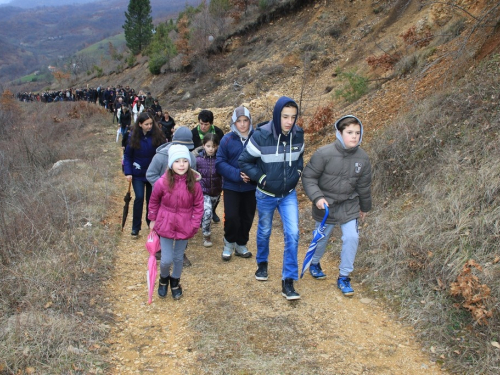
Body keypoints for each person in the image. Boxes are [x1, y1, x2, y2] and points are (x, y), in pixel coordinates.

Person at [239, 96, 304, 300]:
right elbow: (244, 161)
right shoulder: (262, 136)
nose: (289, 121)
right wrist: (262, 179)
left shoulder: (298, 134)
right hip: (266, 193)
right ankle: (262, 264)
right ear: (277, 115)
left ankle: (288, 281)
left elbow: (300, 157)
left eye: (293, 117)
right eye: (285, 116)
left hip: (288, 194)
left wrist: (298, 173)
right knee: (265, 230)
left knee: (293, 233)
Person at [301, 115, 372, 297]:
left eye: (357, 132)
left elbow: (363, 186)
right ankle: (315, 263)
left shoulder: (362, 158)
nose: (354, 136)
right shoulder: (323, 153)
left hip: (349, 204)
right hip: (326, 204)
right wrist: (317, 197)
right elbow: (309, 177)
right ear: (339, 133)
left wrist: (364, 207)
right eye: (349, 132)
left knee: (352, 237)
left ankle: (344, 276)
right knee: (322, 237)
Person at [148, 144, 204, 300]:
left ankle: (175, 281)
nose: (181, 165)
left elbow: (199, 206)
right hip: (165, 224)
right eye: (177, 161)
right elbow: (153, 201)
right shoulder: (162, 182)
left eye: (185, 161)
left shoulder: (195, 184)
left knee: (178, 258)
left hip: (184, 226)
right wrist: (152, 218)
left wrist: (194, 223)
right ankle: (163, 278)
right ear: (171, 163)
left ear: (189, 163)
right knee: (166, 259)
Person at [146, 126, 197, 267]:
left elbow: (194, 178)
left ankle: (180, 253)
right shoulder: (160, 156)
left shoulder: (191, 158)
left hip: (184, 201)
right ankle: (161, 249)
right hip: (164, 200)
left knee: (182, 226)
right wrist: (166, 188)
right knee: (165, 224)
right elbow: (150, 174)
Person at [216, 106, 256, 261]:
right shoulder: (227, 139)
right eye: (239, 121)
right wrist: (237, 174)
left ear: (250, 121)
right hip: (232, 185)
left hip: (250, 187)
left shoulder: (256, 138)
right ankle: (228, 242)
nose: (243, 124)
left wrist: (252, 175)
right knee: (232, 216)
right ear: (234, 122)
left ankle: (241, 244)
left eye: (245, 120)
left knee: (247, 216)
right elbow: (220, 163)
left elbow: (262, 161)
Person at [123, 112, 166, 238]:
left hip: (153, 173)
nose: (149, 126)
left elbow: (163, 153)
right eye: (146, 124)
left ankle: (151, 223)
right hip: (138, 174)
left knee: (151, 200)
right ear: (140, 124)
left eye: (151, 124)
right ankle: (135, 227)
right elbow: (127, 156)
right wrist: (128, 172)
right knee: (139, 197)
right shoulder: (133, 137)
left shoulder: (158, 136)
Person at [191, 110, 225, 222]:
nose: (203, 127)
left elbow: (222, 149)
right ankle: (202, 212)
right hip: (199, 165)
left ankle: (213, 210)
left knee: (215, 191)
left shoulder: (218, 133)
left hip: (214, 164)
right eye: (201, 123)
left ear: (211, 123)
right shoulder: (194, 133)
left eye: (206, 124)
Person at [195, 133, 223, 248]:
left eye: (214, 146)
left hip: (216, 192)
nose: (211, 149)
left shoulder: (220, 159)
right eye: (208, 146)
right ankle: (207, 236)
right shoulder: (198, 160)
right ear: (203, 146)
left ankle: (203, 223)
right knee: (207, 212)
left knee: (210, 212)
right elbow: (194, 174)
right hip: (203, 191)